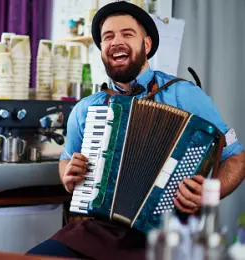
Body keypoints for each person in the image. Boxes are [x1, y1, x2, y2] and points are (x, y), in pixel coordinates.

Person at [27, 2, 245, 259]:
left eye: (127, 34)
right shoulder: (87, 109)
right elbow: (66, 162)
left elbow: (236, 157)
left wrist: (211, 191)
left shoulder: (186, 95)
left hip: (167, 232)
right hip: (98, 230)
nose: (116, 42)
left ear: (147, 45)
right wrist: (69, 176)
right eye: (108, 37)